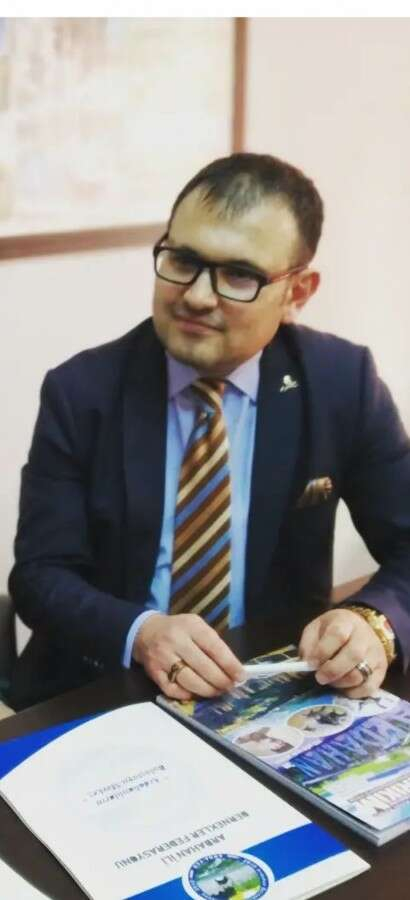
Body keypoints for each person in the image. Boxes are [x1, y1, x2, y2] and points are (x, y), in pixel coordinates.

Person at [8, 152, 410, 710]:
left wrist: (375, 621)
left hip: (269, 689)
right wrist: (141, 633)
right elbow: (40, 575)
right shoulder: (82, 391)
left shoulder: (341, 383)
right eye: (183, 260)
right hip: (104, 690)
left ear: (298, 292)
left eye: (239, 275)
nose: (196, 296)